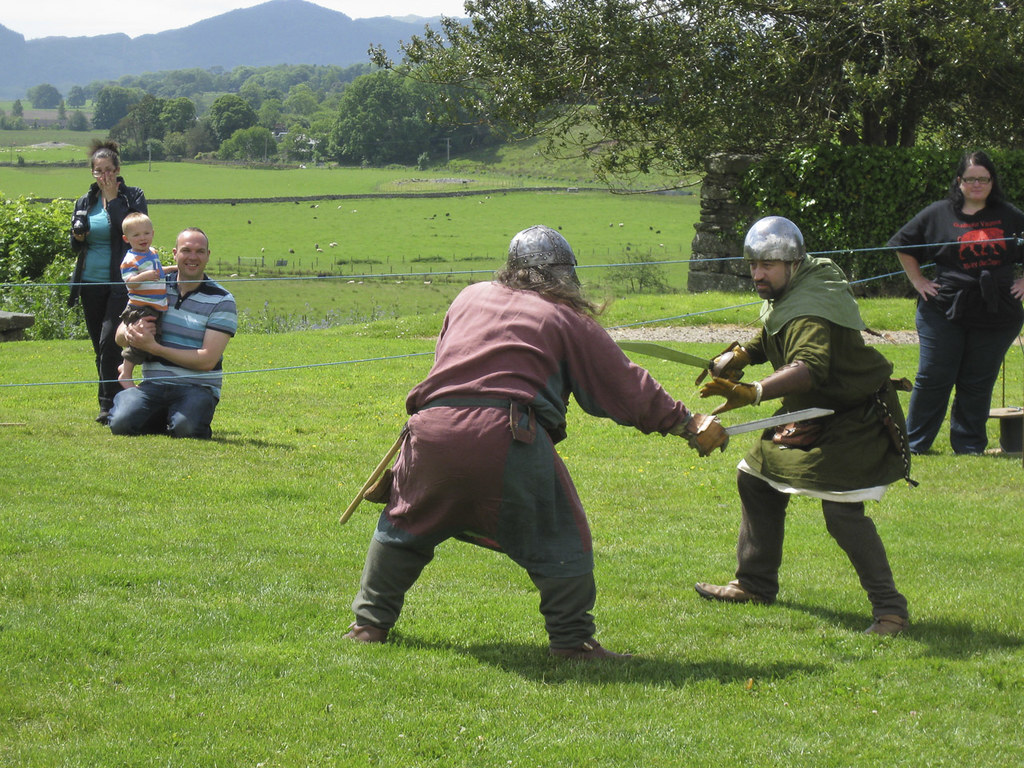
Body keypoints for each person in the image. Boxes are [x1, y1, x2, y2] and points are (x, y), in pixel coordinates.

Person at [344, 225, 729, 660]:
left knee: (404, 526)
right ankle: (572, 641)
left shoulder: (468, 297)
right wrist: (687, 423)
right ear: (562, 276)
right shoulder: (565, 317)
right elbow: (624, 386)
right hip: (505, 433)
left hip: (429, 428)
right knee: (561, 534)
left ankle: (368, 625)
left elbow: (449, 367)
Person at [695, 216, 912, 636]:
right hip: (807, 412)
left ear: (793, 264)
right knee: (756, 478)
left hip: (851, 418)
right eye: (753, 264)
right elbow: (776, 329)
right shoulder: (801, 286)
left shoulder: (811, 309)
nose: (757, 274)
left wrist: (755, 391)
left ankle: (891, 612)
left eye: (767, 266)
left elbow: (809, 366)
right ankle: (754, 584)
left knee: (842, 515)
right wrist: (741, 355)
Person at [888, 150, 1024, 455]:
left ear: (992, 181)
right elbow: (903, 244)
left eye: (983, 179)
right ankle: (916, 444)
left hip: (997, 311)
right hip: (943, 307)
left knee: (977, 381)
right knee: (934, 375)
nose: (977, 184)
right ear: (959, 181)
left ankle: (969, 446)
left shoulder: (1009, 215)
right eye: (971, 178)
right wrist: (918, 281)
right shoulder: (938, 213)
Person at [108, 228, 237, 439]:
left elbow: (207, 360)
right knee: (121, 423)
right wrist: (133, 332)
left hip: (197, 387)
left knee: (187, 430)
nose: (193, 257)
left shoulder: (222, 300)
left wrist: (154, 348)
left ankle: (175, 418)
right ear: (175, 253)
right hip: (154, 385)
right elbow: (119, 336)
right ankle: (164, 415)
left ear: (208, 255)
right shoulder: (154, 286)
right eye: (186, 250)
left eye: (199, 251)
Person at [68, 140, 148, 425]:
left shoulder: (132, 197)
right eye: (98, 171)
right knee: (98, 345)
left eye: (108, 170)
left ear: (117, 170)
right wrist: (76, 238)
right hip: (90, 282)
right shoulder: (85, 201)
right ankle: (114, 400)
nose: (103, 176)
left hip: (122, 282)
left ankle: (107, 406)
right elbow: (76, 246)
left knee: (109, 342)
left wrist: (114, 200)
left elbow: (132, 232)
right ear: (92, 173)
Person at [117, 212, 177, 387]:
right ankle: (126, 371)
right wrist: (143, 276)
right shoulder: (130, 260)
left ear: (153, 233)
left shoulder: (152, 253)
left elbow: (157, 273)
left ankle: (135, 370)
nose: (142, 238)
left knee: (151, 339)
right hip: (140, 307)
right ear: (126, 238)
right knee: (141, 338)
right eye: (136, 235)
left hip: (155, 305)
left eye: (146, 233)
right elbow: (131, 284)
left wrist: (174, 268)